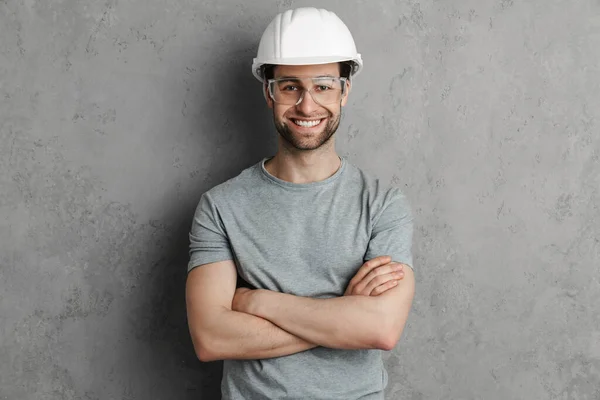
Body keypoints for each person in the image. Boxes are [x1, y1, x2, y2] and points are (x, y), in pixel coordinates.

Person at [185, 7, 415, 400]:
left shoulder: (382, 204)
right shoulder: (220, 207)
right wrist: (342, 314)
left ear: (345, 91)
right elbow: (210, 337)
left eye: (324, 86)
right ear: (268, 91)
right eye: (291, 86)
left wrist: (255, 300)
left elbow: (380, 329)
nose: (307, 107)